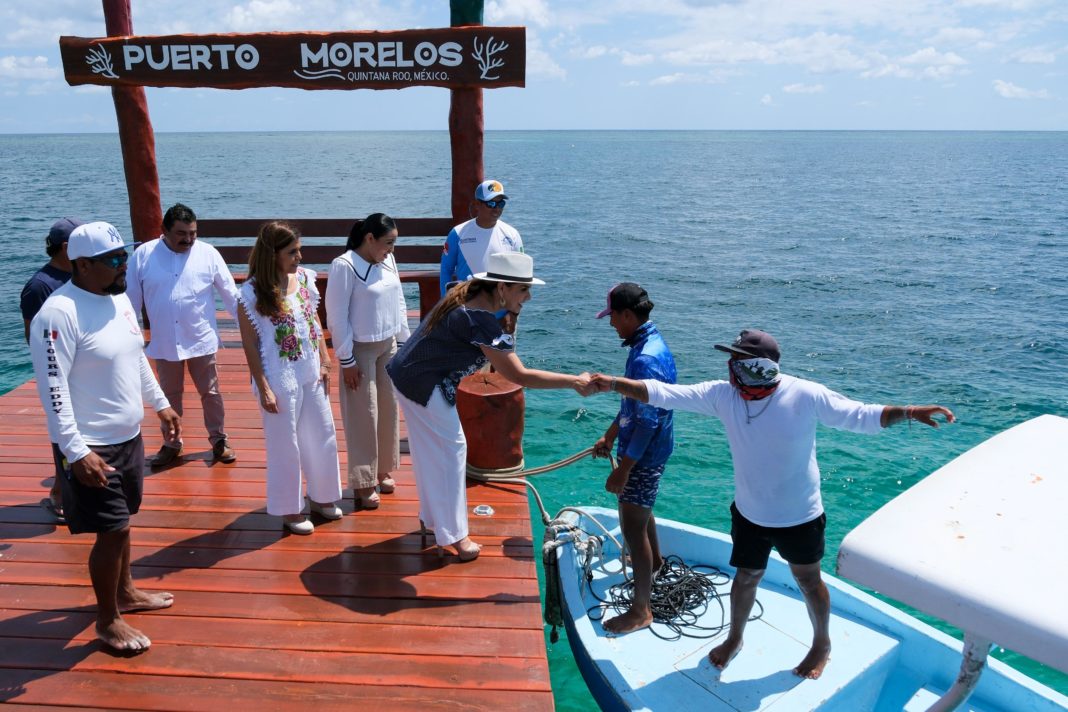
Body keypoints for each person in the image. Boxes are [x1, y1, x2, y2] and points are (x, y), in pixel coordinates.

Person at [590, 328, 955, 679]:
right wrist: (614, 383)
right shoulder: (724, 396)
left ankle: (821, 644)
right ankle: (735, 637)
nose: (729, 367)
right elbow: (664, 393)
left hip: (800, 516)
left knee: (809, 581)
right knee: (746, 577)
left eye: (736, 360)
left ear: (757, 365)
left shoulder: (805, 394)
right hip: (750, 514)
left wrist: (908, 411)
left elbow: (860, 415)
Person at [28, 221, 182, 652]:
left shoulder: (120, 303)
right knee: (111, 529)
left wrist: (161, 403)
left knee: (122, 523)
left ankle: (126, 592)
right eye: (113, 260)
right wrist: (76, 452)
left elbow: (135, 359)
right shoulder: (58, 314)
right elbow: (53, 391)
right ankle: (107, 619)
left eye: (125, 257)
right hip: (91, 445)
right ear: (81, 265)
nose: (123, 267)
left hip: (128, 436)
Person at [388, 252, 590, 561]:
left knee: (432, 451)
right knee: (452, 452)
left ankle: (433, 521)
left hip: (407, 374)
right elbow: (519, 374)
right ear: (501, 289)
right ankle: (456, 537)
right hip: (423, 383)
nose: (529, 296)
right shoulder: (479, 319)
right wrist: (574, 381)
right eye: (523, 289)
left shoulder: (468, 294)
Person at [236, 221, 342, 535]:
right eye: (291, 252)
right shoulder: (250, 293)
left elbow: (313, 322)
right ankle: (290, 509)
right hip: (279, 377)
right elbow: (249, 344)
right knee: (286, 444)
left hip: (311, 370)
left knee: (322, 434)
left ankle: (322, 496)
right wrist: (264, 387)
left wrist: (324, 358)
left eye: (298, 250)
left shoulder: (306, 279)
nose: (299, 257)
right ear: (273, 255)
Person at [591, 283, 677, 635]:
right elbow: (634, 402)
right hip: (648, 449)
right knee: (641, 512)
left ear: (628, 314)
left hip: (644, 455)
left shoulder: (645, 359)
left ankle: (641, 610)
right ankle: (655, 563)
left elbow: (646, 422)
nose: (612, 324)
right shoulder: (649, 345)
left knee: (631, 525)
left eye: (613, 317)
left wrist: (624, 470)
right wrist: (610, 435)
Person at [127, 203, 240, 468]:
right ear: (163, 230)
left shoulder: (209, 254)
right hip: (164, 341)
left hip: (200, 338)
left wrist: (254, 331)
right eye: (182, 233)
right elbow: (130, 303)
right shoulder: (142, 255)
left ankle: (219, 440)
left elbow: (232, 296)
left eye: (193, 233)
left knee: (211, 392)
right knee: (168, 395)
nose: (188, 239)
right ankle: (172, 444)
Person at [325, 213, 410, 509]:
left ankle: (383, 469)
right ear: (369, 238)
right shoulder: (344, 266)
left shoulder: (388, 261)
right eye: (388, 242)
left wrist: (403, 342)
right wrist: (346, 360)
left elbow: (398, 301)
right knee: (364, 415)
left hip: (388, 346)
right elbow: (336, 317)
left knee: (387, 410)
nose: (392, 249)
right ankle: (363, 481)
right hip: (359, 350)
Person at [20, 217, 83, 522]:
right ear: (66, 247)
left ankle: (67, 491)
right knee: (63, 434)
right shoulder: (39, 286)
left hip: (85, 373)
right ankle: (60, 495)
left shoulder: (83, 276)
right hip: (62, 376)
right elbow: (33, 337)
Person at [438, 179, 523, 296]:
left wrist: (513, 310)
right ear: (477, 204)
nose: (497, 208)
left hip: (501, 309)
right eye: (491, 203)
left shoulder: (513, 235)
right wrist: (446, 302)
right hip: (467, 307)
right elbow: (446, 270)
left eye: (501, 203)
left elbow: (519, 273)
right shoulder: (457, 233)